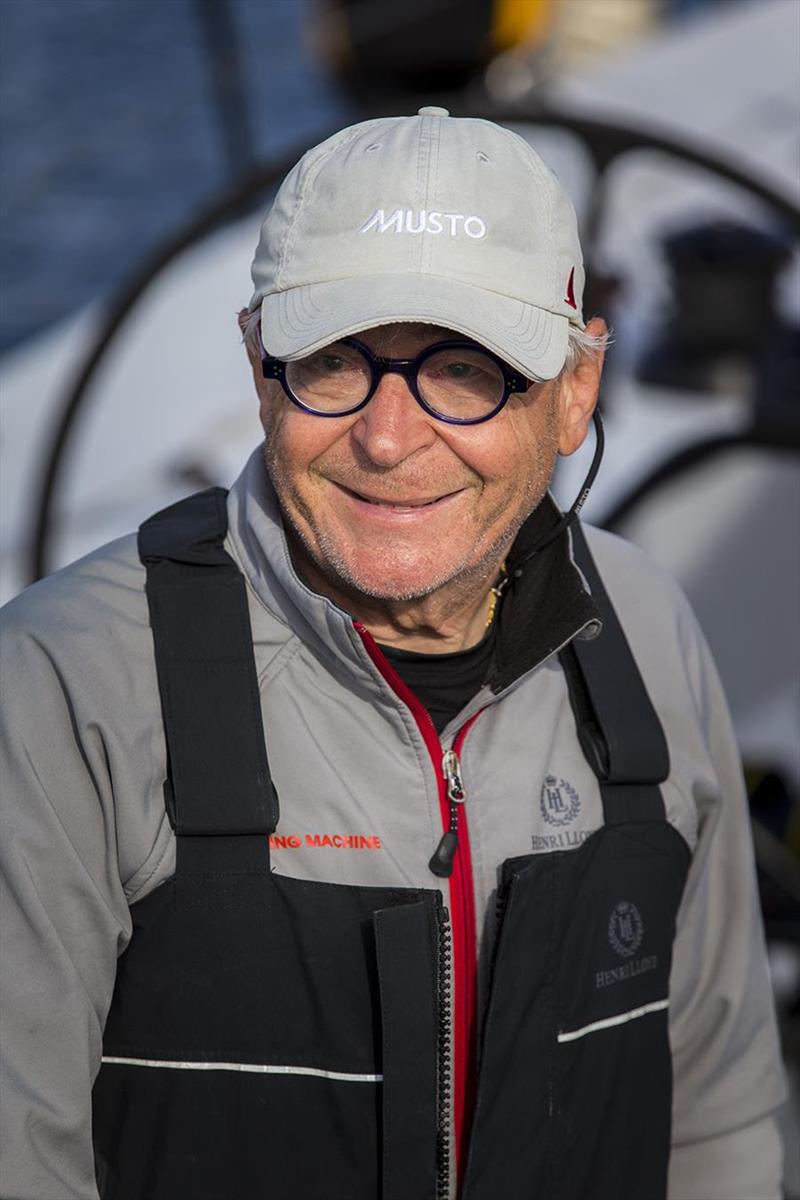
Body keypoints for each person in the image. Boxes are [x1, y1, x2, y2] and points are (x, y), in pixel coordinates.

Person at [0, 108, 787, 1200]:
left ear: (572, 395)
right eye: (333, 358)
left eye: (464, 369)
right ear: (257, 367)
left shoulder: (648, 636)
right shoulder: (60, 689)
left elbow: (719, 1121)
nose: (384, 435)